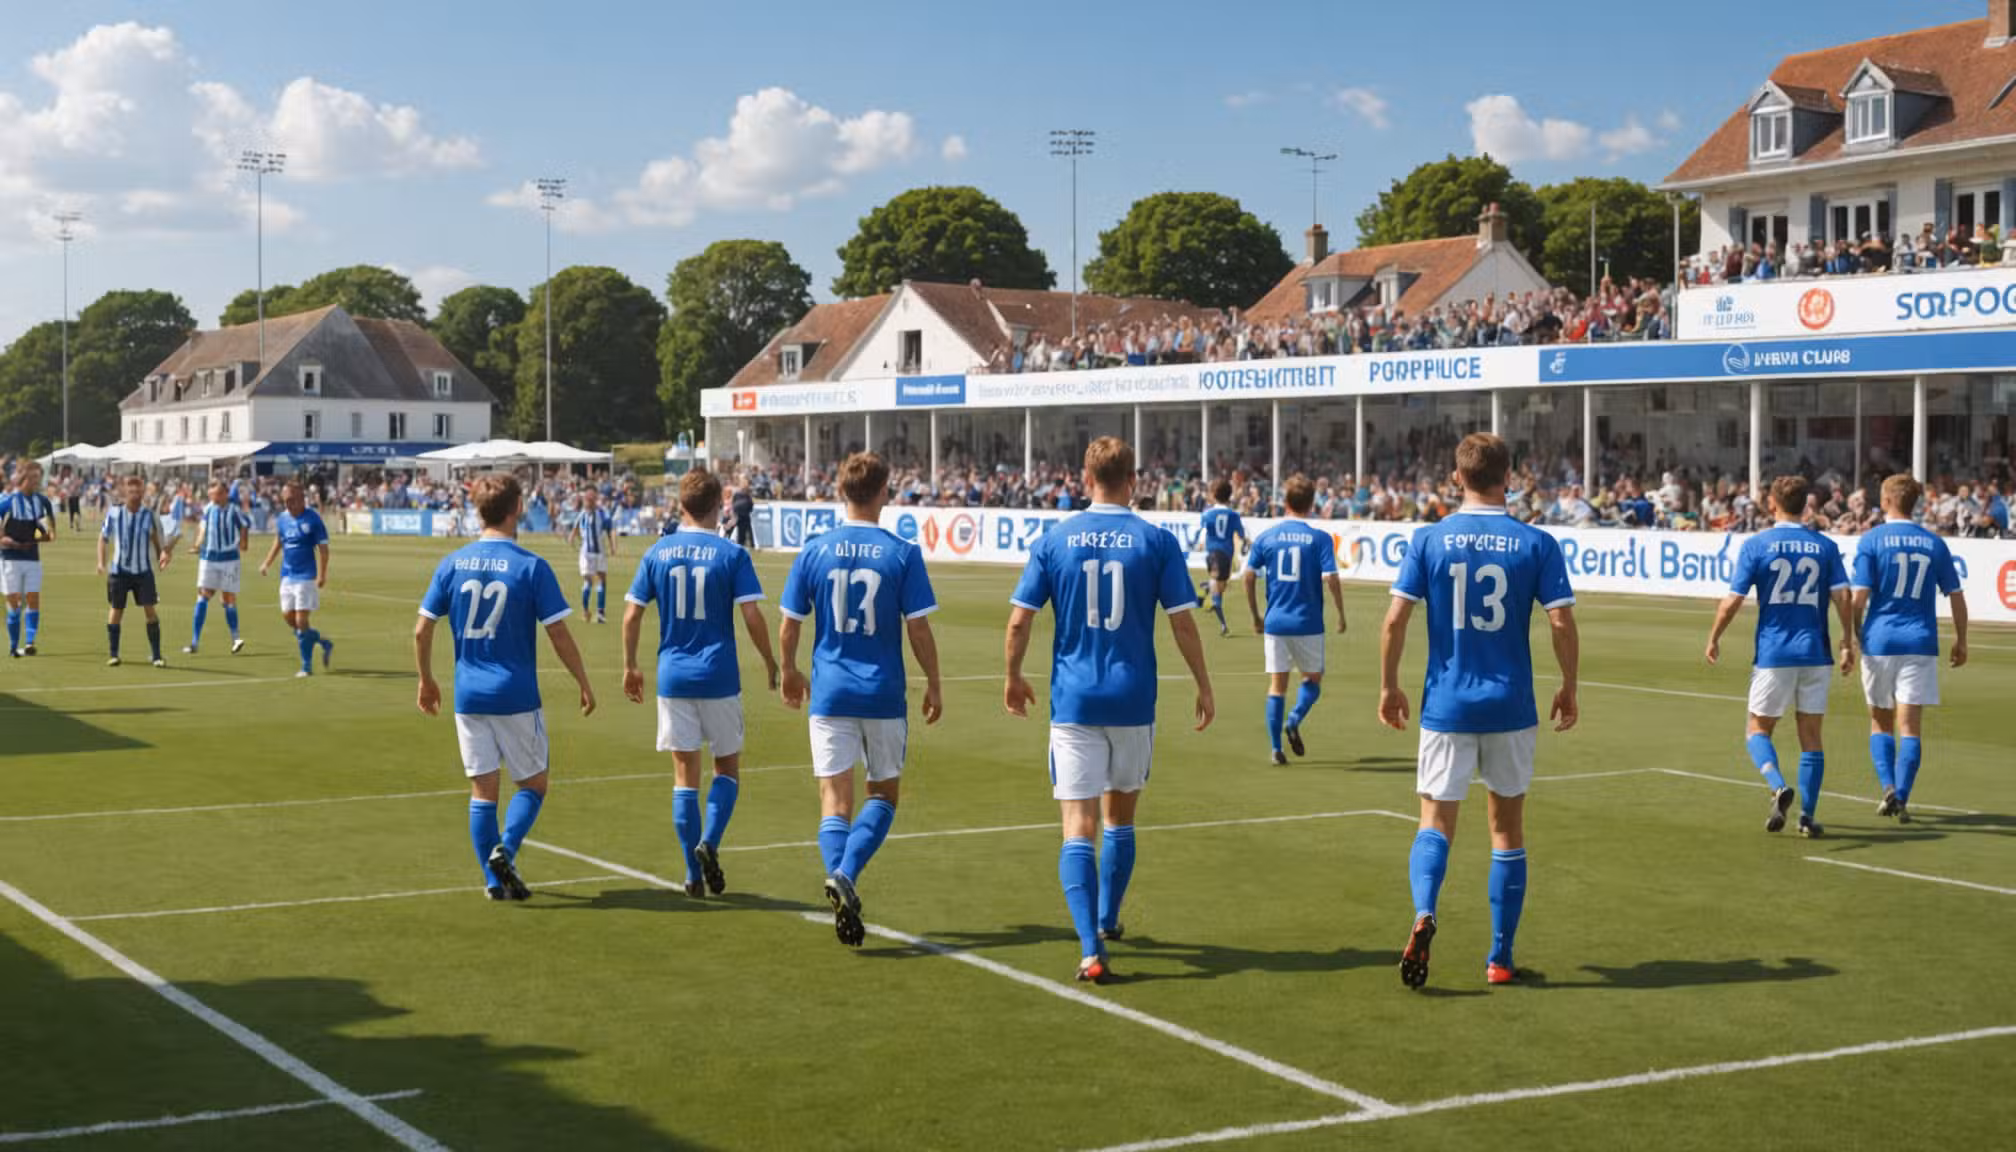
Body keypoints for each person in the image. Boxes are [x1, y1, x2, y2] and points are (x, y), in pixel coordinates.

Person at [1005, 437, 1215, 984]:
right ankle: (1108, 916)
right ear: (1134, 480)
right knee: (1119, 820)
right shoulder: (1156, 540)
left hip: (1074, 702)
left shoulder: (1055, 539)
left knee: (1078, 826)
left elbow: (1020, 619)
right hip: (1132, 699)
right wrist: (1203, 684)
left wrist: (1013, 675)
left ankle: (1089, 949)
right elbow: (1183, 622)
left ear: (1084, 477)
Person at [1379, 433, 1578, 989]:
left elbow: (1394, 620)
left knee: (1435, 821)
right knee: (1506, 831)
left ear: (1456, 477)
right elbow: (1561, 621)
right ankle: (1500, 958)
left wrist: (1389, 686)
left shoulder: (1429, 539)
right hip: (1511, 705)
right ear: (1508, 477)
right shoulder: (1536, 543)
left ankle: (1424, 912)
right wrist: (1568, 685)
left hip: (1447, 704)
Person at [778, 451, 944, 949]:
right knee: (883, 796)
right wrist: (934, 682)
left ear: (839, 490)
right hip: (882, 693)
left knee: (834, 801)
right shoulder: (901, 553)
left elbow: (789, 624)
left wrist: (788, 671)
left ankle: (840, 883)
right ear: (884, 492)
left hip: (830, 691)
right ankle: (846, 875)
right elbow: (918, 629)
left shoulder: (814, 551)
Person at [416, 473, 596, 901]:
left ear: (477, 510)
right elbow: (558, 634)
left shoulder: (452, 563)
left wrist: (426, 679)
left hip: (468, 695)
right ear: (517, 508)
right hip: (515, 694)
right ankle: (506, 850)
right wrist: (583, 682)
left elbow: (422, 629)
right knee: (533, 785)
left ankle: (494, 883)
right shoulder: (531, 566)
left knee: (483, 792)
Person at [623, 468, 780, 898]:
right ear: (717, 506)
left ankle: (692, 873)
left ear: (681, 505)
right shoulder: (732, 554)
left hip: (673, 677)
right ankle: (709, 841)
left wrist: (631, 665)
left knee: (684, 776)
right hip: (719, 675)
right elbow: (751, 615)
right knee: (726, 768)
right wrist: (771, 661)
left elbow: (632, 614)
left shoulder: (658, 552)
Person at [1706, 475, 1856, 837]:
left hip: (1775, 652)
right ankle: (1807, 817)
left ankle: (1777, 786)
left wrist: (1714, 637)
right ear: (1806, 505)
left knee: (1757, 729)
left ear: (1772, 504)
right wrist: (1847, 641)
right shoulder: (1825, 546)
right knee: (1811, 736)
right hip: (1816, 652)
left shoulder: (1757, 545)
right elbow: (1843, 596)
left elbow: (1732, 601)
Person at [1851, 475, 1969, 823]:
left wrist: (1853, 634)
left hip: (1880, 641)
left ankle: (1888, 786)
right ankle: (1901, 796)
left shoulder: (1872, 539)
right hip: (1920, 641)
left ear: (1887, 501)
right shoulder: (1934, 543)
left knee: (1880, 721)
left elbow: (1859, 597)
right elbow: (1956, 596)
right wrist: (1961, 639)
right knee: (1910, 727)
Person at [1244, 475, 1346, 765]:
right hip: (1308, 622)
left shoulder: (1267, 537)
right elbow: (1331, 577)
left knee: (1277, 686)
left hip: (1275, 621)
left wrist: (1255, 615)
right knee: (1312, 680)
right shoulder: (1320, 538)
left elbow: (1248, 576)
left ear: (1285, 502)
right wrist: (1340, 613)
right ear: (1312, 503)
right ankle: (1294, 719)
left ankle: (1276, 749)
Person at [259, 481, 334, 677]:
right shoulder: (283, 518)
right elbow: (278, 542)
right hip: (287, 576)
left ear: (302, 499)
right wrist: (267, 563)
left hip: (306, 577)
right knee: (289, 619)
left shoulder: (313, 519)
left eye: (291, 500)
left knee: (301, 621)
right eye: (285, 500)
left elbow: (323, 549)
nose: (288, 504)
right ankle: (321, 641)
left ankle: (306, 666)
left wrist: (322, 574)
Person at [96, 474, 172, 668]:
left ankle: (156, 655)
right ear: (124, 492)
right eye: (131, 491)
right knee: (116, 610)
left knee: (150, 610)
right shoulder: (115, 513)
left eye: (138, 491)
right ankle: (114, 654)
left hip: (143, 571)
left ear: (143, 492)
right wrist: (101, 562)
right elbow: (103, 538)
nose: (135, 494)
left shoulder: (149, 515)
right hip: (119, 571)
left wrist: (161, 555)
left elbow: (156, 539)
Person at [184, 481, 252, 655]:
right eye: (212, 494)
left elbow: (244, 525)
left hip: (230, 560)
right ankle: (194, 641)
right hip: (208, 559)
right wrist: (197, 545)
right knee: (202, 596)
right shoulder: (208, 509)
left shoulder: (234, 509)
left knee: (228, 598)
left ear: (225, 494)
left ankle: (235, 638)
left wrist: (244, 542)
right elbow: (202, 528)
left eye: (217, 494)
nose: (214, 497)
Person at [1, 462, 57, 657]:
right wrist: (8, 541)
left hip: (32, 558)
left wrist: (45, 535)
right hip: (10, 559)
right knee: (14, 604)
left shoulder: (42, 502)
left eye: (38, 478)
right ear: (23, 479)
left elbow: (50, 531)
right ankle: (13, 646)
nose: (36, 482)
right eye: (33, 478)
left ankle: (30, 642)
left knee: (33, 598)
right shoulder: (7, 503)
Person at [1196, 479, 1246, 636]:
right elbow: (1241, 534)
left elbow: (1203, 530)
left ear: (1213, 495)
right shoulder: (1234, 515)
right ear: (1229, 495)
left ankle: (1206, 589)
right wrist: (1245, 542)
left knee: (1221, 585)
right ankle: (1223, 625)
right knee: (1218, 588)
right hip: (1223, 552)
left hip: (1213, 553)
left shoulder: (1207, 514)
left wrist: (1200, 542)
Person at [569, 487, 617, 623]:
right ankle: (600, 613)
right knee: (601, 581)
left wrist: (574, 541)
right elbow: (610, 529)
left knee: (588, 582)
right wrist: (613, 546)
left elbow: (573, 534)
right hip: (598, 552)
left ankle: (586, 612)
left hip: (586, 553)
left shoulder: (583, 514)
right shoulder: (601, 513)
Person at [730, 481, 756, 549]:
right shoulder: (746, 495)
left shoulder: (738, 494)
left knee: (742, 532)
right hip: (743, 515)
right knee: (747, 531)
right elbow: (751, 505)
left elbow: (733, 503)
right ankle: (750, 545)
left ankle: (741, 544)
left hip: (739, 514)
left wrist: (734, 511)